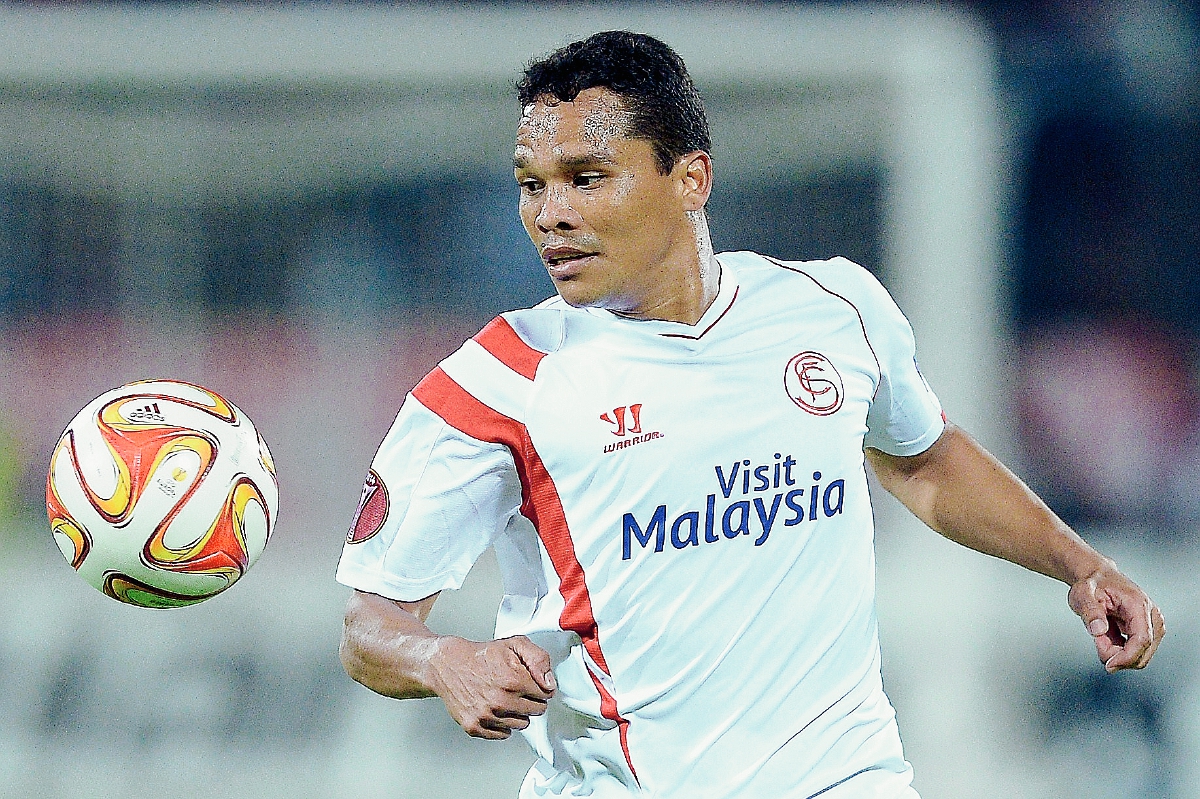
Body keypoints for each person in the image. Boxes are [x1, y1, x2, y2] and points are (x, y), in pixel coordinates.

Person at [335, 30, 1165, 799]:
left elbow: (922, 457)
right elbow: (370, 622)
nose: (551, 213)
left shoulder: (833, 307)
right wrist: (445, 659)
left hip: (848, 775)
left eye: (587, 177)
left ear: (690, 178)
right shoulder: (496, 381)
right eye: (531, 184)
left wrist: (1078, 564)